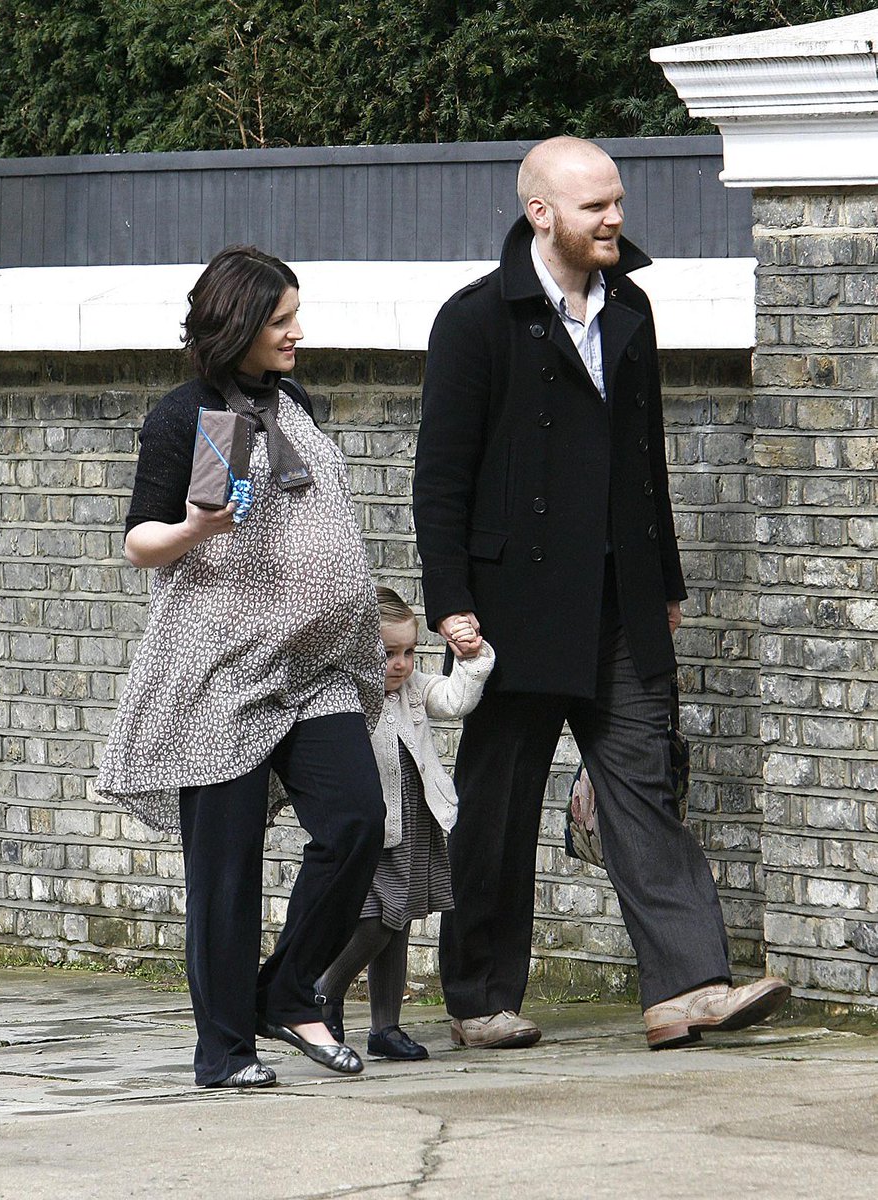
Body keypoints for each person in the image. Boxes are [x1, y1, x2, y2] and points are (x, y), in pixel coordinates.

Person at [412, 136, 790, 1051]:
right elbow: (441, 475)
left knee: (641, 790)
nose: (615, 218)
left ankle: (686, 987)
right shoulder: (476, 320)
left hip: (619, 600)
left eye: (617, 201)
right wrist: (449, 600)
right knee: (498, 810)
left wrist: (663, 581)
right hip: (513, 606)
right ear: (541, 212)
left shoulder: (629, 309)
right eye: (595, 207)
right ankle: (478, 999)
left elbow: (642, 460)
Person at [97, 246, 386, 1086]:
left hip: (315, 667)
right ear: (237, 327)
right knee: (226, 870)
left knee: (356, 823)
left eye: (295, 314)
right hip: (220, 672)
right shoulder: (184, 413)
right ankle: (224, 1051)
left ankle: (288, 989)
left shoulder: (293, 400)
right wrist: (197, 530)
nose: (297, 332)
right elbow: (139, 541)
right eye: (280, 319)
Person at [314, 587, 495, 1060]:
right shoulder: (347, 696)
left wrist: (472, 658)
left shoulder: (413, 690)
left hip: (416, 820)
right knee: (378, 921)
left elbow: (455, 700)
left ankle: (384, 1028)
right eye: (388, 653)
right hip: (373, 825)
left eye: (409, 652)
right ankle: (322, 991)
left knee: (402, 921)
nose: (401, 664)